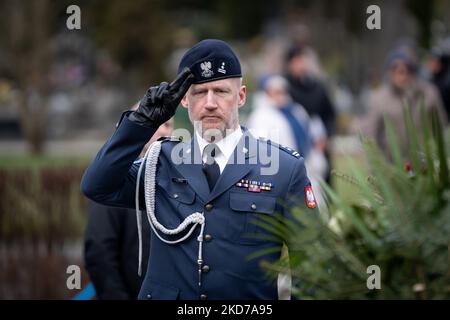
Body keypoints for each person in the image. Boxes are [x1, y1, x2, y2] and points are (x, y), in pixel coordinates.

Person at [81, 39, 318, 300]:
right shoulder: (160, 162)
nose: (210, 103)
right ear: (184, 100)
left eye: (220, 91)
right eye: (199, 92)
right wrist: (140, 124)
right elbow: (97, 186)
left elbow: (311, 263)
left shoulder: (284, 168)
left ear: (240, 96)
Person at [84, 119, 173, 300]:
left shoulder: (176, 179)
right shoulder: (113, 182)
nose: (164, 131)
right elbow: (100, 252)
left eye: (168, 125)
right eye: (156, 124)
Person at [361, 48, 446, 155]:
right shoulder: (379, 99)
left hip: (425, 165)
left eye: (406, 67)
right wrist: (376, 167)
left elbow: (441, 129)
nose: (401, 72)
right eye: (395, 68)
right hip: (392, 165)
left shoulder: (429, 94)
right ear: (389, 72)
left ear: (412, 70)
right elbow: (371, 135)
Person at [284, 45, 336, 183]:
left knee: (323, 180)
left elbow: (329, 114)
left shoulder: (318, 86)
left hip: (320, 141)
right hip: (297, 143)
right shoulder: (284, 88)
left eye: (302, 60)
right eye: (296, 61)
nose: (300, 64)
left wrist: (327, 137)